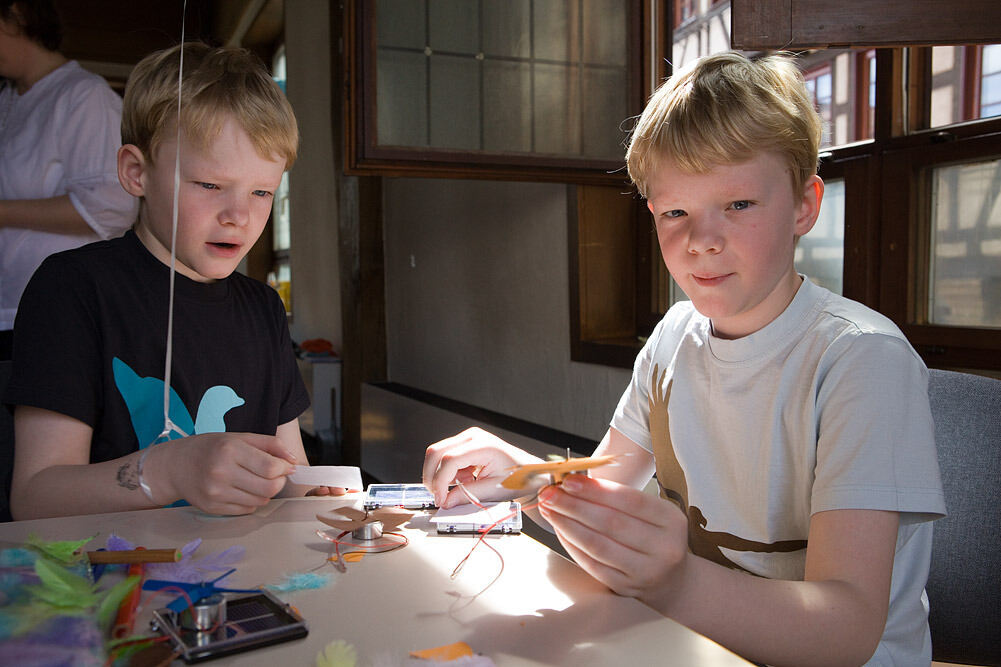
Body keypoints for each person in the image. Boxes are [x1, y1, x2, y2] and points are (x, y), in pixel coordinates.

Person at [423, 52, 945, 666]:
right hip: (697, 646)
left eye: (739, 205)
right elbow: (606, 493)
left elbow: (846, 630)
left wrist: (673, 582)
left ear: (805, 204)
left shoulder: (862, 362)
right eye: (677, 212)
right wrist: (527, 478)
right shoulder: (675, 335)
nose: (701, 239)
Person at [4, 42, 344, 520]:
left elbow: (290, 473)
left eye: (262, 191)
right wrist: (168, 471)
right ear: (136, 172)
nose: (239, 216)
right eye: (209, 185)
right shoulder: (72, 289)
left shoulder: (263, 307)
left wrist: (320, 496)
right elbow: (35, 498)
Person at [0, 0, 137, 359]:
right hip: (8, 307)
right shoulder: (7, 100)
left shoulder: (82, 95)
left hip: (55, 312)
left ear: (18, 15)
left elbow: (112, 205)